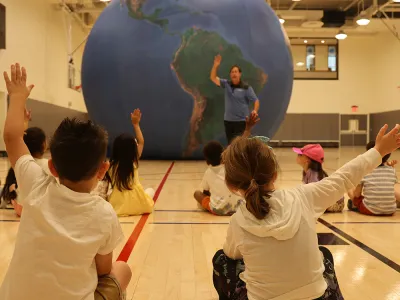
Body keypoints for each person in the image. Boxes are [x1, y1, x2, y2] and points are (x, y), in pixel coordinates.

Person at [212, 124, 400, 300]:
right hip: (318, 296)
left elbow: (231, 255)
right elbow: (344, 177)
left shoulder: (238, 221)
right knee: (324, 254)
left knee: (221, 259)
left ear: (231, 185)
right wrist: (379, 151)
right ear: (275, 174)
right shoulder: (303, 197)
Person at [0, 63, 131, 300]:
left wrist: (17, 97)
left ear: (52, 167)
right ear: (103, 170)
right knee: (123, 270)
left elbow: (11, 137)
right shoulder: (104, 213)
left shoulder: (35, 184)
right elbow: (103, 270)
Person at [194, 114, 260, 215]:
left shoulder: (208, 172)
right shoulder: (232, 164)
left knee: (197, 194)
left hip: (218, 210)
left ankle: (210, 206)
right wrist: (248, 128)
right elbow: (240, 143)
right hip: (239, 207)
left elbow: (205, 192)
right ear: (223, 153)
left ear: (207, 162)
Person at [108, 109, 155, 216]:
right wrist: (136, 124)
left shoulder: (111, 166)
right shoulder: (133, 162)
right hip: (138, 202)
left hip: (119, 204)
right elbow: (141, 141)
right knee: (151, 190)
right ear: (132, 149)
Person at [210, 54, 261, 144]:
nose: (234, 73)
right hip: (228, 121)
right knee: (231, 145)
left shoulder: (246, 88)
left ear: (240, 74)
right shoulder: (226, 84)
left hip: (241, 121)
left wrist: (255, 111)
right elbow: (213, 78)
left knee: (240, 145)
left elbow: (256, 101)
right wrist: (215, 66)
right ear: (230, 75)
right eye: (232, 72)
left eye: (236, 72)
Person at [348, 141, 399, 216]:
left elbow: (357, 194)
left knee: (350, 189)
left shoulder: (365, 170)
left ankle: (354, 205)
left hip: (370, 209)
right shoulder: (391, 170)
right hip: (390, 209)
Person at [293, 144, 344, 213]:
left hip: (336, 203)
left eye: (300, 155)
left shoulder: (314, 175)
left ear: (307, 160)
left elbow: (316, 195)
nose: (297, 155)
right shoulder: (307, 172)